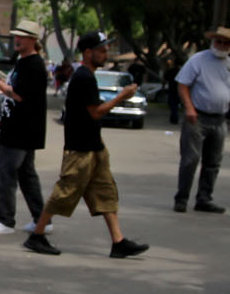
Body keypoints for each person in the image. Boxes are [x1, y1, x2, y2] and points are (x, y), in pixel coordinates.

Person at [25, 32, 148, 258]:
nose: (105, 54)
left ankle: (118, 242)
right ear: (88, 52)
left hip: (94, 147)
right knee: (64, 192)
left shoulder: (88, 76)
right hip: (80, 149)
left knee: (105, 192)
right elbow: (96, 112)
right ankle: (37, 235)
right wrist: (122, 96)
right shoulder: (84, 77)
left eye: (106, 50)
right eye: (101, 50)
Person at [0, 19, 48, 234]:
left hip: (21, 129)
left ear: (33, 40)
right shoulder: (23, 61)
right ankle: (42, 219)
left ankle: (5, 220)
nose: (17, 40)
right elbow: (14, 86)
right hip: (21, 127)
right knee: (27, 175)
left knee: (6, 173)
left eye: (22, 37)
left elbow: (18, 94)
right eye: (16, 35)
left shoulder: (34, 65)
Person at [173, 26, 230, 213]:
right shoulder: (198, 60)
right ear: (212, 42)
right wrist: (189, 107)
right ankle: (182, 198)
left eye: (225, 43)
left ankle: (204, 198)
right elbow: (182, 84)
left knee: (213, 161)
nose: (221, 45)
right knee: (190, 159)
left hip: (219, 118)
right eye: (218, 41)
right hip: (198, 116)